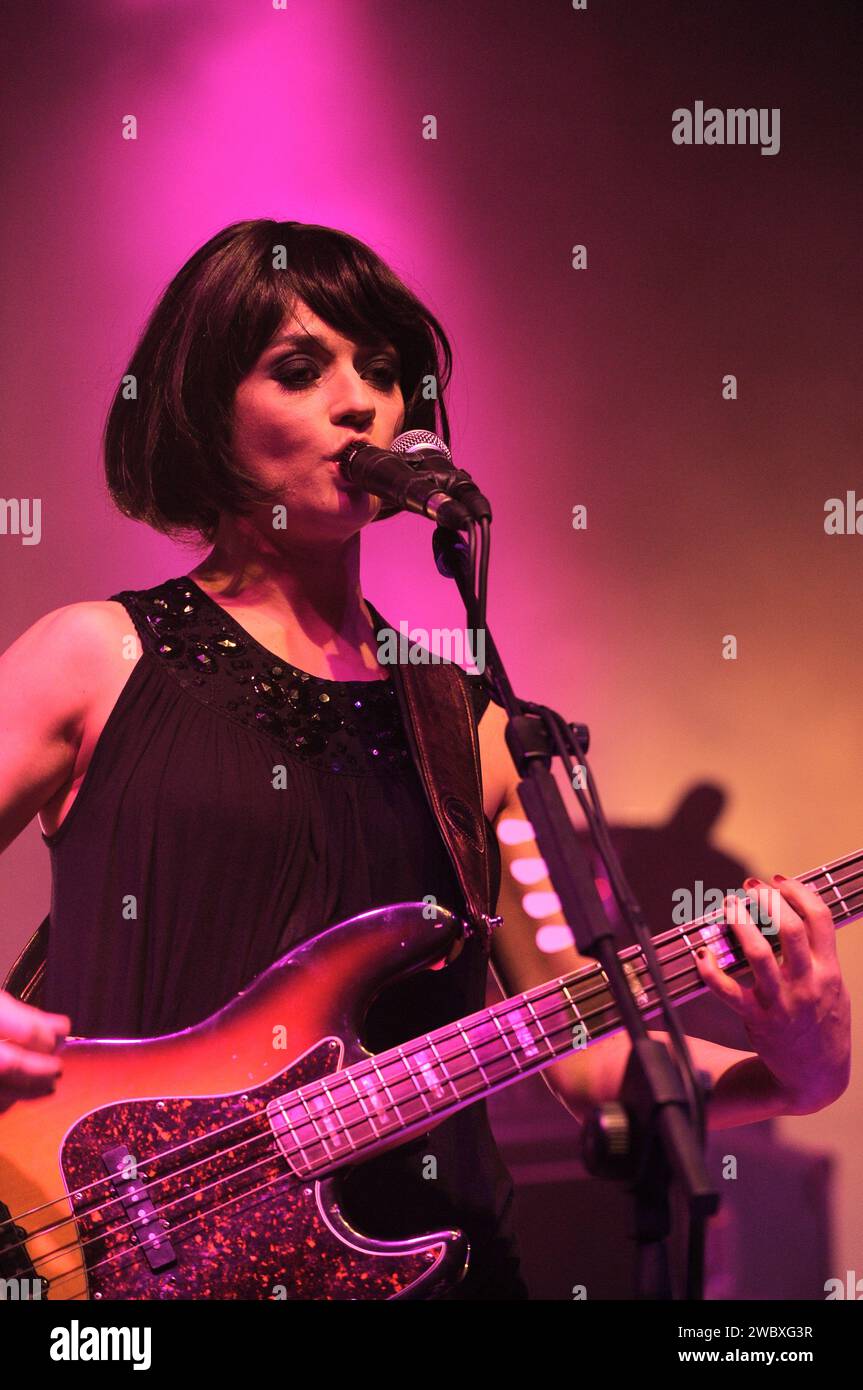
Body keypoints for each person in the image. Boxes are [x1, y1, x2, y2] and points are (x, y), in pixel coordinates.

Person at [0, 219, 851, 1300]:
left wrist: (794, 1066)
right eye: (301, 370)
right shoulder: (96, 656)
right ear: (206, 411)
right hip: (122, 1270)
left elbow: (582, 1048)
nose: (361, 401)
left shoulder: (471, 727)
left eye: (384, 371)